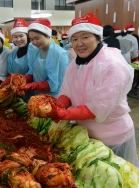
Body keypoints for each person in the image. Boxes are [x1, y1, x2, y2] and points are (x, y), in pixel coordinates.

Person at [42, 12, 138, 167]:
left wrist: (64, 114)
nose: (79, 43)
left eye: (85, 37)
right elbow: (67, 91)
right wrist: (57, 106)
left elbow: (98, 108)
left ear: (98, 37)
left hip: (113, 136)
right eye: (74, 39)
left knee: (119, 179)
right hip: (87, 136)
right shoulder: (75, 64)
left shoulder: (112, 63)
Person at [18, 18, 70, 97]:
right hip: (38, 95)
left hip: (54, 97)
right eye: (31, 39)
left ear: (47, 35)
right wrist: (21, 79)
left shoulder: (58, 54)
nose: (34, 42)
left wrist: (32, 86)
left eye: (37, 38)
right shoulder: (35, 51)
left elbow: (54, 84)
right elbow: (32, 71)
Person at [1, 18, 35, 102]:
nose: (18, 39)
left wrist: (20, 82)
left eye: (21, 36)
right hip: (16, 90)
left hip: (32, 90)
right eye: (15, 37)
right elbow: (10, 72)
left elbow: (33, 72)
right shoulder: (12, 53)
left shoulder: (34, 51)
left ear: (27, 36)